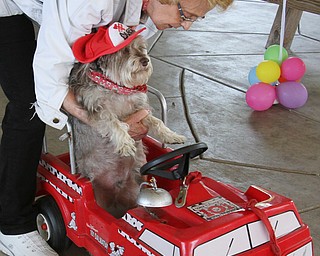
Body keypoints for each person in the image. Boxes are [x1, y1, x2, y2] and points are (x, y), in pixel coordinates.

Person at [0, 0, 233, 255]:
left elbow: (117, 54)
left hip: (67, 10)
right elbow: (51, 66)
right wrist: (97, 119)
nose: (186, 26)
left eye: (194, 19)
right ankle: (13, 225)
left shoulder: (149, 9)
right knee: (28, 104)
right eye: (186, 15)